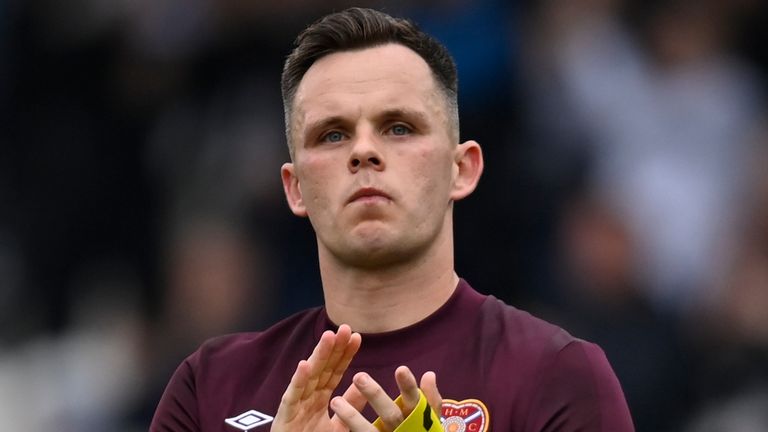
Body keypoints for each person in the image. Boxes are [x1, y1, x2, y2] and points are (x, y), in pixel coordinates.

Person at [150, 7, 634, 432]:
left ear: (461, 169)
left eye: (398, 127)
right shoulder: (210, 385)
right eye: (333, 135)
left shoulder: (558, 376)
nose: (364, 150)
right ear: (295, 188)